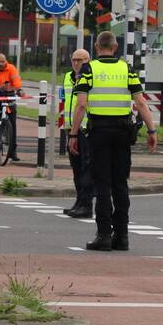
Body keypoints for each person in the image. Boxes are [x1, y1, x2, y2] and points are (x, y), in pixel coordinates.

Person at [68, 31, 157, 251]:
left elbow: (80, 105)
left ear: (97, 47)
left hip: (98, 133)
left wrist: (73, 133)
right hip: (123, 133)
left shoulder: (89, 69)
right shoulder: (127, 69)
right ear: (115, 47)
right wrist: (152, 130)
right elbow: (141, 103)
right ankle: (122, 236)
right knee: (120, 184)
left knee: (102, 184)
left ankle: (104, 235)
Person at [61, 49, 94, 218]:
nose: (75, 63)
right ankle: (79, 200)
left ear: (88, 60)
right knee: (76, 168)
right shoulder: (68, 77)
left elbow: (82, 105)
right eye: (73, 59)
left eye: (80, 60)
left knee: (86, 167)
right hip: (71, 128)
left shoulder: (91, 77)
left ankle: (86, 204)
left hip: (86, 128)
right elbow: (66, 102)